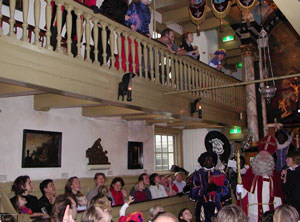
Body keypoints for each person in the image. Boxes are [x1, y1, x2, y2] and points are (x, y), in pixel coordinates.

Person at [237, 135, 285, 222]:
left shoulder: (275, 175)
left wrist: (279, 212)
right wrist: (239, 190)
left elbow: (278, 196)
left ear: (270, 158)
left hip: (270, 211)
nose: (263, 158)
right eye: (261, 155)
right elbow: (243, 194)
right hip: (253, 211)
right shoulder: (250, 172)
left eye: (266, 156)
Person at [190, 151, 230, 222]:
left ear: (213, 161)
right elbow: (194, 190)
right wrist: (204, 190)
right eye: (206, 159)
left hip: (217, 205)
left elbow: (226, 190)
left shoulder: (220, 173)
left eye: (210, 159)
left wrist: (217, 189)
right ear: (203, 162)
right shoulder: (198, 174)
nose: (208, 161)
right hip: (202, 204)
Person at [281, 151, 300, 215]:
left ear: (294, 159)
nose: (286, 160)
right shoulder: (288, 171)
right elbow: (285, 190)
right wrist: (284, 179)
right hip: (291, 202)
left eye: (288, 159)